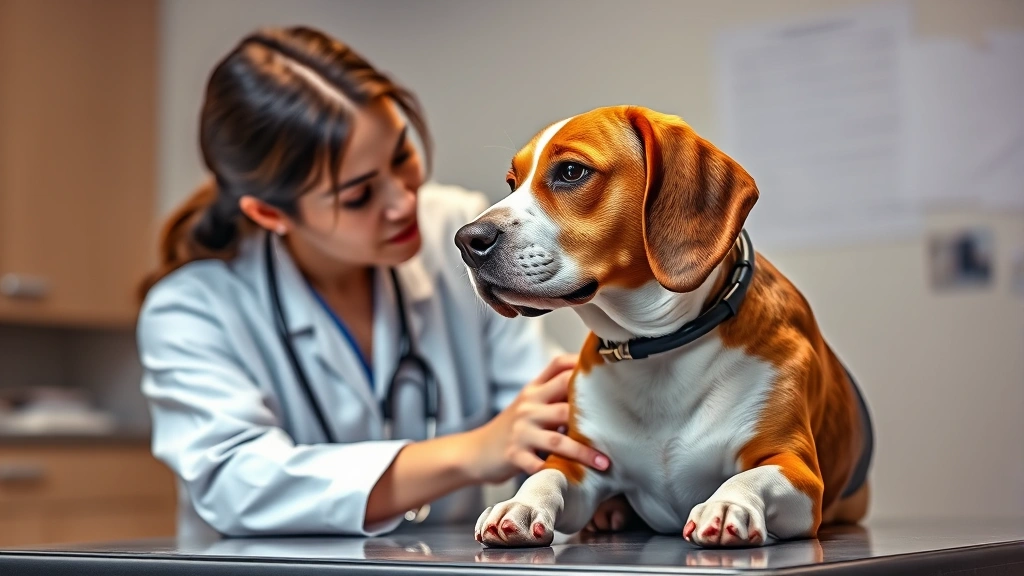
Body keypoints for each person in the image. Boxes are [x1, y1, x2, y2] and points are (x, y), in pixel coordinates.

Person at [135, 26, 613, 539]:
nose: (404, 202)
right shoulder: (191, 310)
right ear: (270, 212)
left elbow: (541, 414)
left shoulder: (456, 226)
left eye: (402, 156)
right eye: (360, 195)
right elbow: (236, 482)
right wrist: (474, 452)